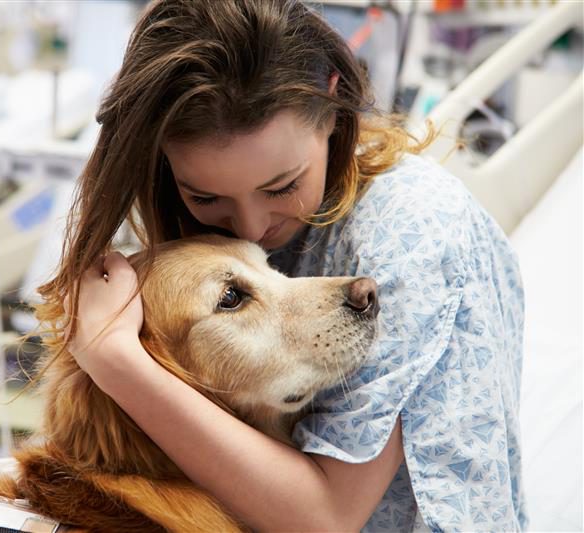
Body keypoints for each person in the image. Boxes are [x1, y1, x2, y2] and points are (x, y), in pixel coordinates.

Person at [43, 0, 526, 531]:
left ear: (335, 108)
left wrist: (115, 363)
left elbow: (327, 519)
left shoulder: (411, 231)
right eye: (206, 197)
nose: (248, 229)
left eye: (282, 187)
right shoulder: (177, 225)